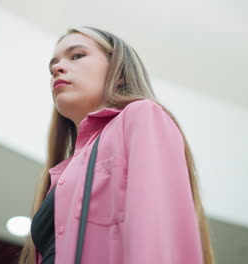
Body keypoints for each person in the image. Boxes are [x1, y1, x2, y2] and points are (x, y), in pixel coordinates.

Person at [16, 26, 215, 264]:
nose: (57, 69)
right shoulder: (60, 172)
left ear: (119, 72)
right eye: (52, 67)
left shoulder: (142, 116)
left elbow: (157, 232)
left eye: (77, 55)